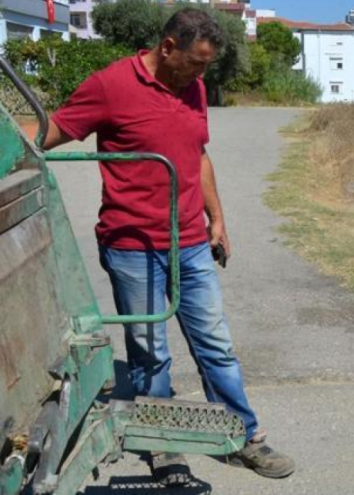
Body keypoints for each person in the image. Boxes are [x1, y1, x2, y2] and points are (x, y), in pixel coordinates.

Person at [43, 8, 295, 485]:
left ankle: (243, 436)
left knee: (216, 345)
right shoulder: (110, 85)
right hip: (132, 245)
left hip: (190, 242)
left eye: (207, 65)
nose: (201, 75)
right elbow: (51, 131)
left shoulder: (192, 87)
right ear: (167, 47)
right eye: (196, 63)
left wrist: (217, 218)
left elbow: (197, 154)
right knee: (149, 352)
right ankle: (163, 444)